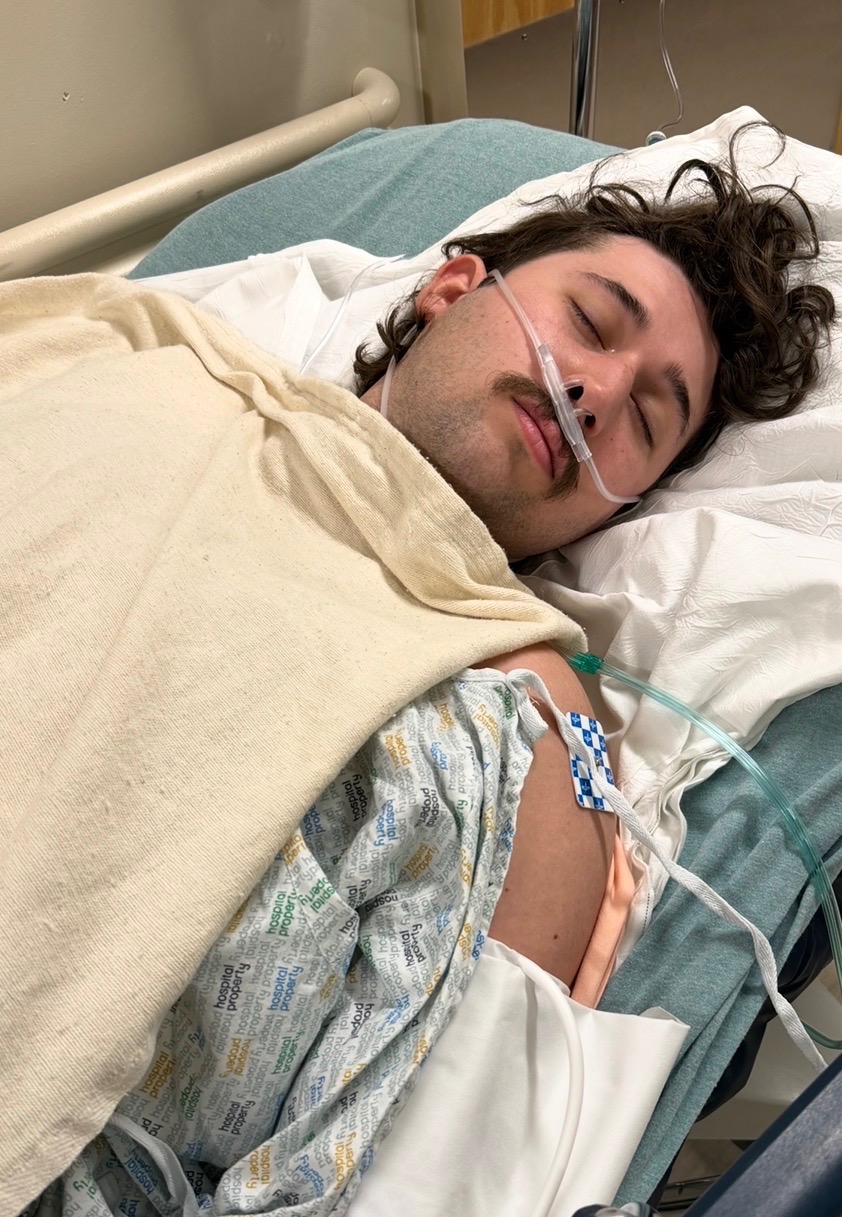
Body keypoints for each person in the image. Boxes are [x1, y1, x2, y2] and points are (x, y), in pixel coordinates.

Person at [13, 142, 836, 1217]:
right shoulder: (129, 354)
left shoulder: (515, 731)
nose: (594, 392)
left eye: (645, 419)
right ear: (451, 286)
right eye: (589, 322)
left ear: (619, 510)